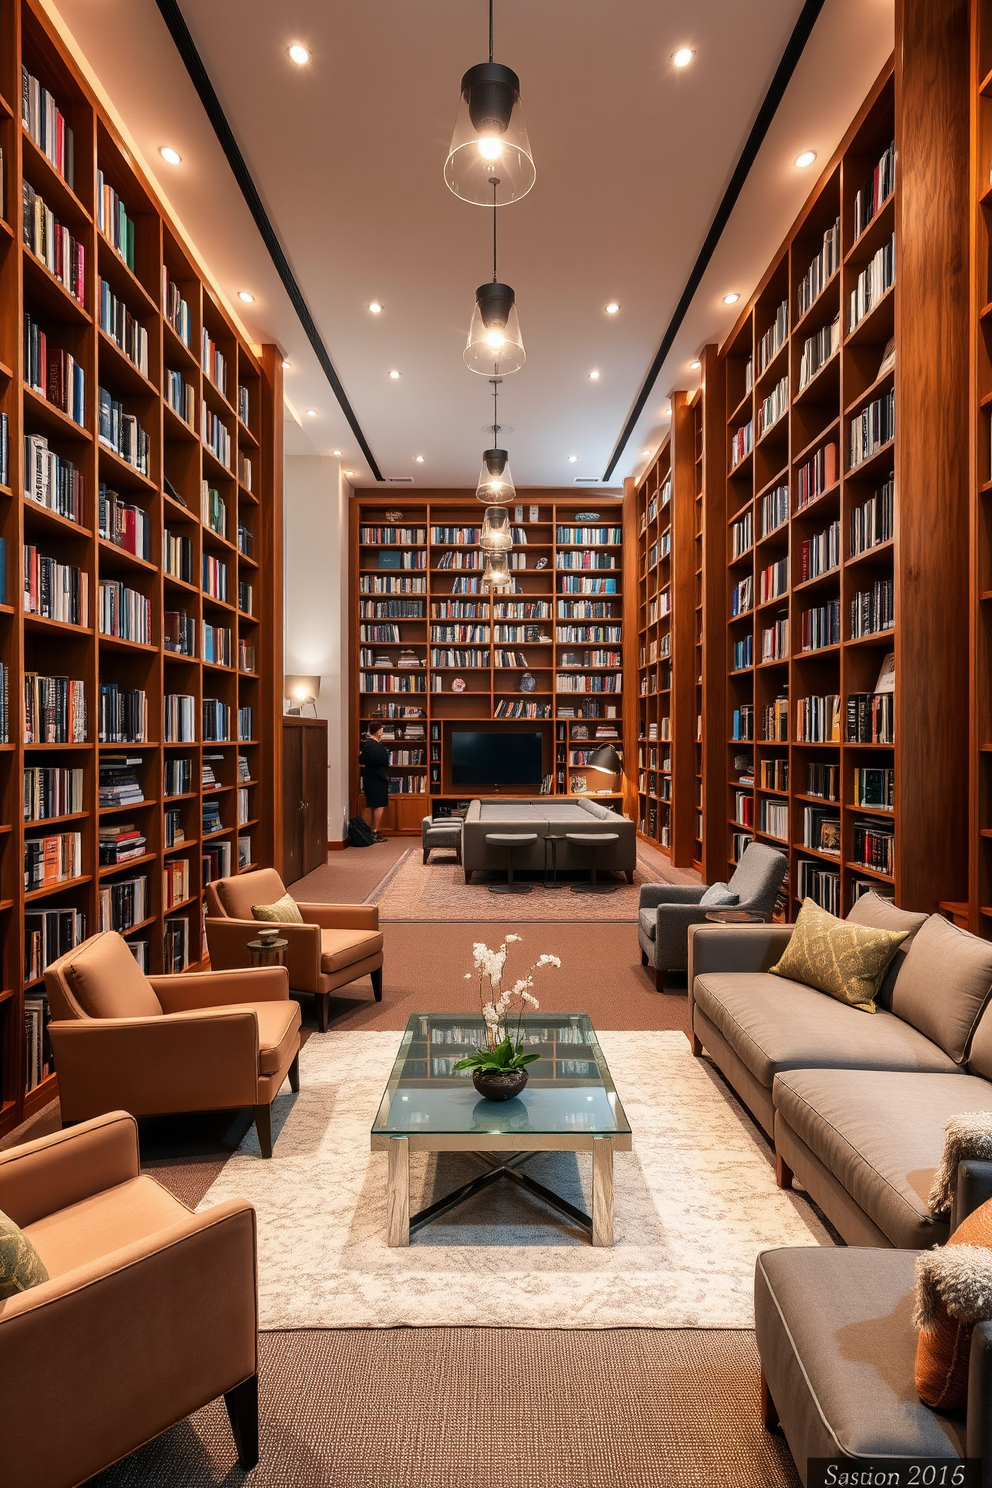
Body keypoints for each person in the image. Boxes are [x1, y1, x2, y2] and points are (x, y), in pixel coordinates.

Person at [359, 723, 390, 841]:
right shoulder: (374, 746)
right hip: (377, 779)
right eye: (381, 731)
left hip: (370, 778)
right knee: (379, 804)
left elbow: (361, 759)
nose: (382, 734)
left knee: (374, 804)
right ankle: (375, 832)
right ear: (377, 732)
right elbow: (383, 761)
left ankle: (373, 830)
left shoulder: (367, 745)